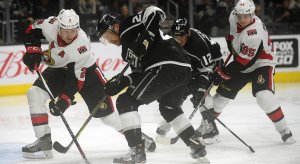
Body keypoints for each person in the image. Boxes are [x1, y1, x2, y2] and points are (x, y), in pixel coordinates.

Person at [21, 9, 155, 159]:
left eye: (73, 31)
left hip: (87, 75)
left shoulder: (81, 44)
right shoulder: (50, 25)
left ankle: (138, 137)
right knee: (34, 93)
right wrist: (32, 50)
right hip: (58, 69)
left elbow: (76, 78)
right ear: (59, 26)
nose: (69, 35)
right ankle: (43, 140)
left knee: (108, 117)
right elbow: (31, 30)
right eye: (65, 31)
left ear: (78, 28)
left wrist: (64, 100)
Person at [96, 6, 209, 163]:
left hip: (166, 63)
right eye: (104, 40)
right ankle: (196, 144)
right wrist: (122, 81)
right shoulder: (125, 52)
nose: (108, 40)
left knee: (126, 101)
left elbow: (156, 12)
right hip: (181, 67)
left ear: (114, 26)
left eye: (107, 35)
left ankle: (137, 151)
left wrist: (145, 37)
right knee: (168, 108)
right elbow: (139, 75)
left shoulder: (128, 25)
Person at [211, 0, 296, 144]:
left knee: (264, 97)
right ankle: (208, 128)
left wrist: (224, 72)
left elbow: (245, 62)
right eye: (240, 16)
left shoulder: (255, 33)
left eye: (246, 16)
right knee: (219, 98)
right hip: (242, 60)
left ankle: (284, 131)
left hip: (261, 63)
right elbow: (233, 36)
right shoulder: (234, 16)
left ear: (252, 14)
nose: (242, 19)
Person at [156, 18, 224, 145]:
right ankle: (168, 121)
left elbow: (206, 69)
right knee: (176, 93)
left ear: (188, 33)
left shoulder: (198, 46)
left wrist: (201, 87)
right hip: (190, 67)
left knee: (202, 94)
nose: (178, 39)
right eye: (175, 35)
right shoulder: (172, 41)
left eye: (181, 35)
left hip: (209, 66)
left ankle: (211, 128)